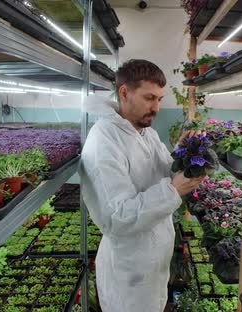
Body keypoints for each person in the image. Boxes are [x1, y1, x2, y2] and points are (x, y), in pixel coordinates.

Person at [79, 59, 204, 312]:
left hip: (153, 263)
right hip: (129, 273)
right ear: (124, 92)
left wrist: (181, 154)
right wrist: (175, 190)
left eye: (159, 99)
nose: (156, 107)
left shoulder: (146, 133)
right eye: (149, 98)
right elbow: (117, 217)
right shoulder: (104, 141)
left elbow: (160, 172)